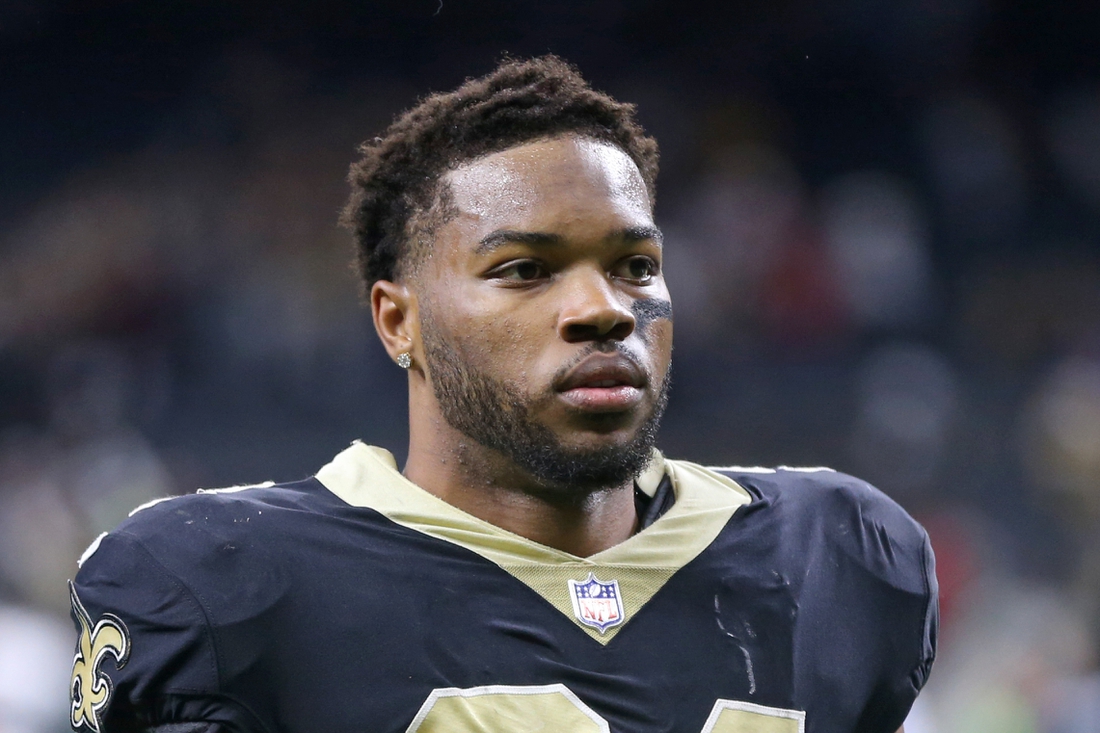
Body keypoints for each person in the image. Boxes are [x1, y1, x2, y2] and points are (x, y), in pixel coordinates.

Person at [68, 56, 936, 733]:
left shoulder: (837, 560)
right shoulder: (223, 588)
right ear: (396, 320)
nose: (604, 309)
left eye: (636, 266)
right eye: (524, 270)